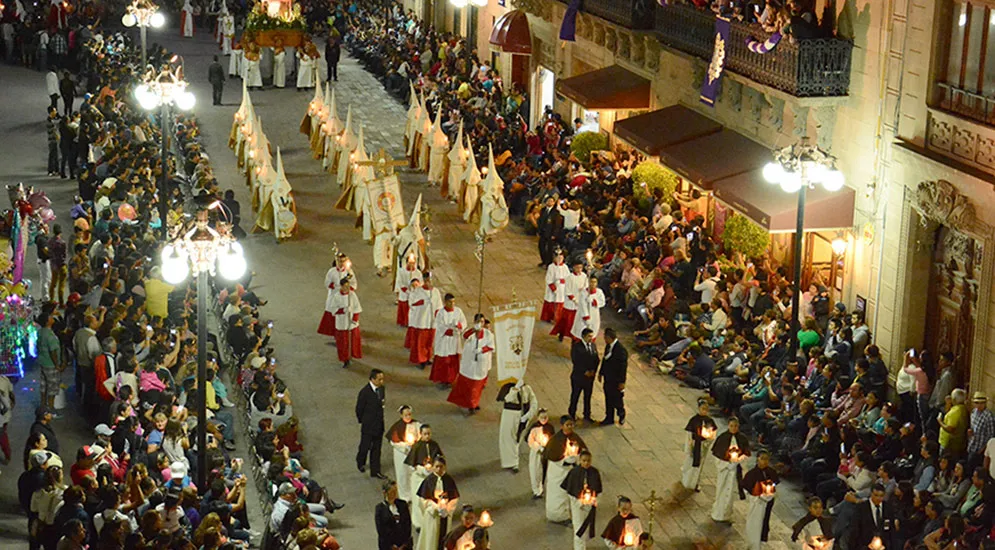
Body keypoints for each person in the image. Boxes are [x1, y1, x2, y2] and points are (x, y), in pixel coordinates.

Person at [543, 416, 586, 523]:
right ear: (562, 426)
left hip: (570, 471)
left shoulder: (575, 437)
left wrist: (576, 458)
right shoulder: (555, 440)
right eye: (567, 425)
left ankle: (568, 514)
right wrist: (565, 461)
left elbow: (583, 452)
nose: (570, 427)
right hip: (558, 472)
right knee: (558, 494)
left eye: (571, 425)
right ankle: (557, 515)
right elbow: (552, 456)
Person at [447, 314, 493, 414]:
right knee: (467, 385)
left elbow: (491, 347)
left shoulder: (488, 334)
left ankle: (473, 404)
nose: (480, 324)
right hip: (469, 364)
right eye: (478, 322)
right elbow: (464, 336)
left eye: (482, 322)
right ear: (474, 322)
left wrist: (481, 350)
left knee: (476, 387)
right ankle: (467, 403)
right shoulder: (470, 332)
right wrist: (473, 330)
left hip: (480, 364)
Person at [404, 423, 443, 532]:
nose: (427, 436)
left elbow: (439, 458)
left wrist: (434, 468)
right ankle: (419, 523)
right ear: (420, 434)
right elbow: (412, 465)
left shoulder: (434, 445)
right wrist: (423, 469)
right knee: (418, 502)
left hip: (431, 478)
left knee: (431, 499)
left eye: (429, 434)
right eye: (425, 434)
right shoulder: (416, 447)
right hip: (419, 478)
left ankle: (431, 519)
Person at [711, 416, 750, 522]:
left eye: (736, 426)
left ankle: (727, 515)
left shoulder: (742, 438)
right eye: (732, 426)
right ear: (728, 426)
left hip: (735, 470)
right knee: (721, 490)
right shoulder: (722, 438)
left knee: (730, 492)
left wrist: (738, 461)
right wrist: (727, 464)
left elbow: (746, 454)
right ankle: (717, 513)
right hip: (724, 469)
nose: (734, 428)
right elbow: (716, 455)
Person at [415, 455, 459, 550]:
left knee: (443, 539)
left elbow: (454, 498)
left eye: (441, 466)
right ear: (433, 467)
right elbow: (422, 500)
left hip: (445, 516)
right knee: (431, 539)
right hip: (432, 516)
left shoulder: (449, 480)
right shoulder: (428, 481)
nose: (439, 469)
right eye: (436, 466)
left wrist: (447, 509)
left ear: (445, 467)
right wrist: (435, 507)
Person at [562, 449, 603, 550]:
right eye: (584, 460)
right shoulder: (574, 472)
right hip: (578, 506)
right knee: (579, 529)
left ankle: (583, 547)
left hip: (589, 506)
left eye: (588, 461)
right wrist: (579, 501)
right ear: (580, 460)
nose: (586, 463)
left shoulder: (594, 472)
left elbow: (598, 490)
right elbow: (570, 491)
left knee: (586, 529)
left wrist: (593, 500)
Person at [741, 449, 779, 550]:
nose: (765, 461)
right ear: (758, 459)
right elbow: (746, 487)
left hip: (768, 502)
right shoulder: (751, 474)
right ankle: (752, 543)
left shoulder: (771, 472)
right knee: (754, 522)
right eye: (762, 459)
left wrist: (770, 489)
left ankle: (761, 542)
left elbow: (775, 483)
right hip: (756, 503)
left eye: (767, 459)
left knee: (764, 521)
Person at [497, 379, 537, 472]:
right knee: (508, 437)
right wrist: (515, 389)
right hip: (510, 415)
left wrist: (528, 415)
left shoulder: (527, 388)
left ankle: (514, 460)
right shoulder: (508, 388)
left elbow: (534, 402)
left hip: (522, 416)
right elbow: (508, 398)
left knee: (517, 438)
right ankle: (511, 461)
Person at [355, 369, 386, 479]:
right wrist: (363, 421)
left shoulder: (382, 389)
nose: (382, 381)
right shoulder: (364, 393)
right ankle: (360, 462)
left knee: (377, 449)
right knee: (365, 446)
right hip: (368, 426)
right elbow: (359, 409)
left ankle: (375, 470)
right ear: (372, 379)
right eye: (379, 379)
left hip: (379, 425)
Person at [430, 293, 466, 387]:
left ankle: (452, 379)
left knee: (453, 360)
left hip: (454, 340)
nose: (452, 304)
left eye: (454, 301)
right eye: (450, 302)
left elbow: (463, 321)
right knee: (444, 361)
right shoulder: (441, 313)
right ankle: (443, 380)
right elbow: (439, 326)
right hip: (444, 341)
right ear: (445, 302)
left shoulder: (458, 311)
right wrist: (449, 331)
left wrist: (459, 326)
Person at [681, 398, 718, 491]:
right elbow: (689, 434)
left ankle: (695, 483)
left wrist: (707, 442)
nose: (704, 411)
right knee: (689, 463)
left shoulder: (710, 421)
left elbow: (712, 434)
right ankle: (686, 481)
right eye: (702, 409)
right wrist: (690, 445)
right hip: (693, 445)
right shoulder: (694, 420)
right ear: (698, 408)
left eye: (706, 409)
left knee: (699, 466)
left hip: (702, 446)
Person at [385, 405, 420, 502]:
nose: (408, 417)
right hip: (401, 455)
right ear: (401, 415)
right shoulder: (397, 426)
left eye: (409, 414)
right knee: (402, 475)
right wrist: (405, 447)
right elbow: (393, 442)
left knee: (413, 473)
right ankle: (404, 496)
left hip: (413, 453)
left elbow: (421, 435)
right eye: (406, 415)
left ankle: (414, 493)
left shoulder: (416, 424)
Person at [318, 253, 357, 337]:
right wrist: (335, 286)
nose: (341, 263)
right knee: (334, 311)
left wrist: (347, 289)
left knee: (345, 312)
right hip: (334, 294)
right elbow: (327, 283)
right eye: (340, 261)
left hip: (345, 296)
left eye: (343, 261)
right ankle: (334, 332)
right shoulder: (332, 272)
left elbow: (354, 283)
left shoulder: (349, 272)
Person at [328, 278, 363, 367]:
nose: (347, 288)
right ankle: (345, 359)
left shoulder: (352, 295)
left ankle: (352, 355)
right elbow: (333, 310)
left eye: (348, 286)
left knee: (352, 341)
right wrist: (343, 310)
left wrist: (355, 319)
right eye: (345, 286)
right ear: (341, 286)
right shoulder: (336, 296)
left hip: (351, 323)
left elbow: (357, 307)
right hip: (342, 323)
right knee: (343, 343)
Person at [850, 483, 897, 549]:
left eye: (881, 496)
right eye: (876, 495)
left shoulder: (888, 508)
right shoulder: (861, 508)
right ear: (871, 494)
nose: (878, 498)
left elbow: (891, 529)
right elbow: (855, 529)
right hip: (865, 546)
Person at [598, 328, 628, 425]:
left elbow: (623, 367)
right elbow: (605, 360)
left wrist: (622, 382)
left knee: (616, 398)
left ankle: (621, 412)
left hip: (616, 380)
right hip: (608, 378)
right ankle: (609, 417)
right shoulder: (608, 347)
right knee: (608, 398)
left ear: (609, 338)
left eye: (605, 338)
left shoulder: (620, 350)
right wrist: (601, 372)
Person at [568, 328, 599, 423]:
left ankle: (587, 414)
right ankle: (572, 413)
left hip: (589, 378)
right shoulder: (577, 347)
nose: (591, 338)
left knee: (587, 396)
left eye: (592, 336)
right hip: (578, 377)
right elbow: (576, 361)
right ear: (584, 336)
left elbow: (596, 359)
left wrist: (594, 371)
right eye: (589, 336)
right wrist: (584, 371)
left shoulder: (593, 346)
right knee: (575, 395)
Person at [550, 262, 586, 341]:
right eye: (577, 268)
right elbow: (567, 290)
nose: (579, 270)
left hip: (579, 302)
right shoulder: (569, 277)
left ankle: (575, 336)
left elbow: (586, 287)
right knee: (566, 321)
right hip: (570, 303)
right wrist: (574, 299)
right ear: (573, 267)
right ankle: (562, 333)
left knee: (576, 321)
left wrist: (584, 289)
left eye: (580, 268)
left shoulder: (584, 276)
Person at [406, 277, 436, 368]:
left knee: (429, 342)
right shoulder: (417, 291)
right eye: (427, 281)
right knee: (420, 342)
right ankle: (421, 360)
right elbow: (411, 303)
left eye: (431, 281)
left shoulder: (435, 292)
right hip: (421, 321)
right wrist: (423, 302)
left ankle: (427, 357)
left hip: (431, 321)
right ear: (424, 281)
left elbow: (438, 305)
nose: (429, 283)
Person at [35, 312, 62, 412]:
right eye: (50, 317)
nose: (52, 318)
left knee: (43, 385)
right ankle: (51, 408)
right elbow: (53, 351)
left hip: (42, 361)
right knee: (52, 387)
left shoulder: (41, 332)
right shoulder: (50, 335)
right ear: (47, 322)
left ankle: (43, 406)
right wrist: (57, 365)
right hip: (50, 364)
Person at [374, 479, 412, 550]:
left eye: (396, 491)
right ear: (385, 493)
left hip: (404, 545)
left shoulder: (403, 504)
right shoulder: (379, 509)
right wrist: (391, 546)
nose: (395, 494)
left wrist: (404, 544)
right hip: (388, 546)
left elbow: (408, 524)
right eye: (392, 492)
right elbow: (381, 530)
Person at [526, 409, 555, 499]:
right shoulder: (534, 428)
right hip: (536, 453)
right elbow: (530, 440)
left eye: (545, 417)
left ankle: (542, 487)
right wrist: (539, 447)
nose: (543, 419)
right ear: (538, 417)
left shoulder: (550, 427)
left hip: (546, 453)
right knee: (535, 471)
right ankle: (536, 490)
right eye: (542, 417)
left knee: (545, 470)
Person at [570, 277, 606, 342]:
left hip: (594, 315)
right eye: (591, 282)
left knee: (592, 332)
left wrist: (593, 301)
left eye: (594, 282)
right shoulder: (583, 292)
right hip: (583, 316)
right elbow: (582, 306)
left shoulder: (599, 292)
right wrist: (586, 317)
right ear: (588, 283)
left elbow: (602, 302)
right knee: (580, 333)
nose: (593, 284)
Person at [541, 250, 569, 323]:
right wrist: (553, 287)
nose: (559, 259)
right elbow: (548, 278)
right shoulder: (551, 267)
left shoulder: (565, 267)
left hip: (562, 288)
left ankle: (558, 317)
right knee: (551, 302)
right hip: (553, 288)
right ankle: (548, 317)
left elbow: (568, 277)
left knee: (560, 302)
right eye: (557, 257)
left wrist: (564, 282)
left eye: (561, 258)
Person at [394, 257, 419, 327]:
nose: (411, 265)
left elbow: (420, 283)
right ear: (406, 262)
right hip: (404, 294)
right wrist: (407, 291)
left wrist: (415, 286)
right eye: (410, 263)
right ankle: (404, 322)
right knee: (404, 307)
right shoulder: (401, 271)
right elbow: (400, 282)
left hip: (414, 294)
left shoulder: (417, 272)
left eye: (413, 263)